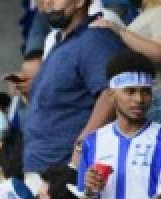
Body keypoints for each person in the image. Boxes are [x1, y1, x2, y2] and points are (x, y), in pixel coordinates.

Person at [77, 50, 161, 199]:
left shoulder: (160, 138)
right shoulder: (93, 143)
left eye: (145, 91)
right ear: (112, 94)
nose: (139, 99)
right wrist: (91, 193)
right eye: (130, 91)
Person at [22, 0, 125, 175]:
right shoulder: (60, 42)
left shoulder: (95, 38)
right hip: (43, 168)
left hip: (66, 170)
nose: (49, 2)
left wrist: (81, 148)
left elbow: (110, 93)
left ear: (80, 2)